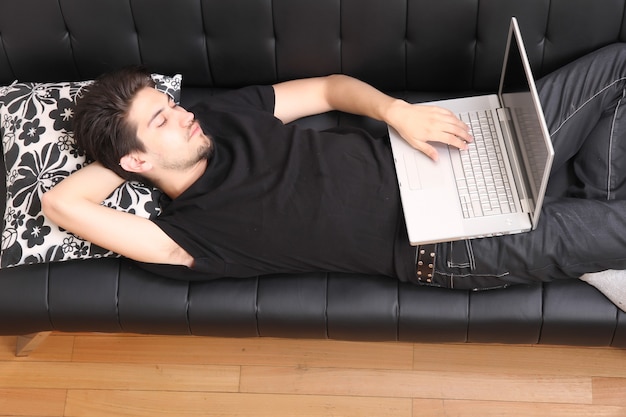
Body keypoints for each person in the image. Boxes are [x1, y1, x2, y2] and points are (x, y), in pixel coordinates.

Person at [42, 44, 626, 311]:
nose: (184, 111)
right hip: (449, 248)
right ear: (135, 163)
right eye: (163, 118)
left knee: (616, 66)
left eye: (172, 102)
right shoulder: (187, 238)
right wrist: (116, 157)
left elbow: (327, 89)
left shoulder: (223, 117)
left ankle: (592, 230)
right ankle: (594, 232)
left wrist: (397, 111)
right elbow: (61, 204)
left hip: (441, 154)